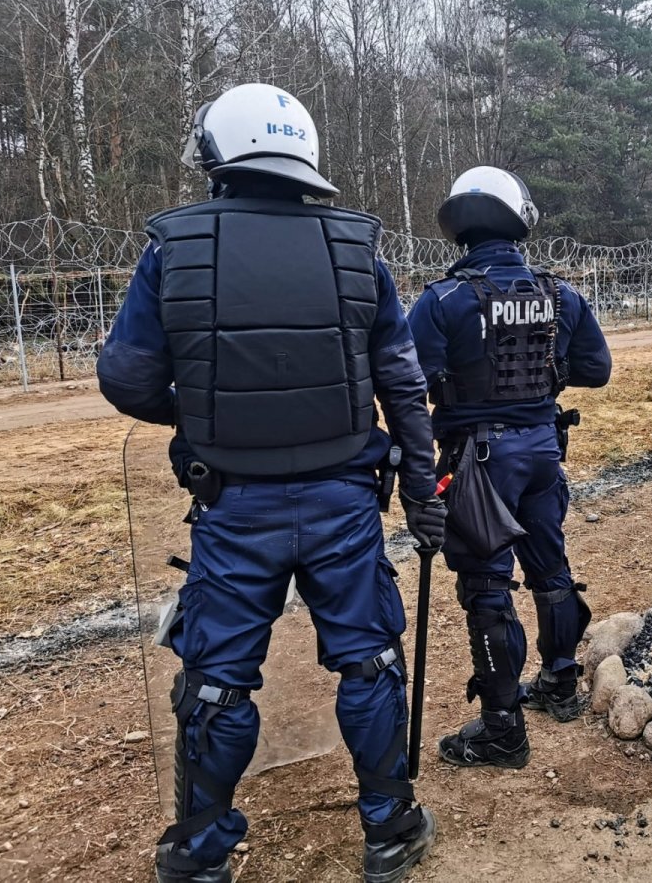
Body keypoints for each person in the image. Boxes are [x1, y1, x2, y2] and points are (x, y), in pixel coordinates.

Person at [96, 83, 446, 883]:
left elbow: (126, 378)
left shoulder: (173, 246)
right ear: (303, 151)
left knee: (217, 678)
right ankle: (389, 828)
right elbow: (403, 382)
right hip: (345, 502)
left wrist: (205, 411)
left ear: (221, 152)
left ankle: (201, 849)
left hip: (234, 503)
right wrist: (423, 495)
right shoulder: (360, 246)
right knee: (369, 663)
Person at [408, 166, 612, 769]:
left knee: (487, 585)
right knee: (551, 567)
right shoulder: (560, 295)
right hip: (544, 449)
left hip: (478, 461)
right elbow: (596, 370)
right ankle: (560, 682)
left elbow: (407, 382)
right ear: (519, 220)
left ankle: (502, 729)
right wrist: (542, 377)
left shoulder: (441, 301)